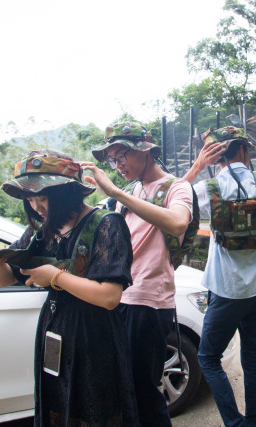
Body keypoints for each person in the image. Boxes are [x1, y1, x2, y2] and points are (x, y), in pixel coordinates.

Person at [0, 150, 138, 426]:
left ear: (65, 194)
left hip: (94, 335)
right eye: (29, 199)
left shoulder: (106, 224)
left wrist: (55, 277)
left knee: (95, 408)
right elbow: (7, 279)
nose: (35, 206)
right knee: (56, 404)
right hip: (55, 328)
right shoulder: (43, 229)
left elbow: (110, 297)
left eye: (42, 198)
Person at [82, 122, 193, 427]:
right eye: (113, 161)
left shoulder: (176, 187)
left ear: (146, 152)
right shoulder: (130, 191)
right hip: (118, 297)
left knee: (145, 392)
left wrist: (116, 192)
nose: (118, 166)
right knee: (122, 388)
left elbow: (178, 224)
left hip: (149, 302)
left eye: (122, 157)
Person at [183, 127, 256, 427]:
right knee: (253, 360)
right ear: (244, 150)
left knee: (207, 357)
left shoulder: (210, 187)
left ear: (216, 155)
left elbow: (171, 198)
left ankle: (235, 422)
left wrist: (197, 166)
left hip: (226, 290)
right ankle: (253, 421)